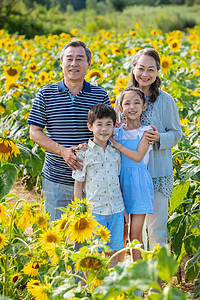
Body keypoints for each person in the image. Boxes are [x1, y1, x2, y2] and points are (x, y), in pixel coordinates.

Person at [27, 41, 110, 221]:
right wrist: (63, 152)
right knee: (56, 238)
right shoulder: (45, 94)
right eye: (69, 59)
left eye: (80, 59)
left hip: (92, 180)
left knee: (88, 241)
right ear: (62, 63)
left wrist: (91, 146)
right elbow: (34, 132)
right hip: (56, 178)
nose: (74, 63)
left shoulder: (100, 95)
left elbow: (108, 131)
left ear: (88, 64)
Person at [115, 48, 182, 251]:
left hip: (158, 173)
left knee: (157, 228)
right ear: (133, 69)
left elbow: (177, 133)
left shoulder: (166, 100)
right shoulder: (122, 98)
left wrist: (159, 137)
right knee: (135, 231)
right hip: (129, 174)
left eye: (151, 69)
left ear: (157, 72)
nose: (145, 74)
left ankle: (158, 280)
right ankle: (142, 274)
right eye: (141, 68)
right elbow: (116, 128)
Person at [72, 103, 128, 266]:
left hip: (116, 210)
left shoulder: (116, 152)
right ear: (90, 127)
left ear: (114, 126)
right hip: (95, 211)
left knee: (113, 252)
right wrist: (78, 211)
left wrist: (123, 208)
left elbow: (118, 182)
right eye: (99, 125)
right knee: (94, 253)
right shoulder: (83, 153)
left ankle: (111, 287)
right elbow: (78, 184)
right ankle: (95, 288)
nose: (104, 129)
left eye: (108, 125)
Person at [110, 87, 154, 261]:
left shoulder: (147, 131)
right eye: (127, 103)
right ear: (120, 108)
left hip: (138, 185)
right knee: (121, 235)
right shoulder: (116, 131)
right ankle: (119, 275)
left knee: (135, 236)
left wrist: (117, 145)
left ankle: (139, 283)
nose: (132, 107)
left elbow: (137, 157)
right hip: (119, 185)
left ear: (144, 106)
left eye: (136, 102)